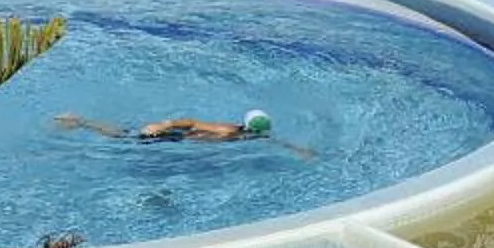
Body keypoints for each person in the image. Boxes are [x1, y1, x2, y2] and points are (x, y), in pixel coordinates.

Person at [54, 109, 309, 156]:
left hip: (177, 142)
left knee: (125, 136)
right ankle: (79, 121)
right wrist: (163, 126)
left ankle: (81, 121)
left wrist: (297, 149)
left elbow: (272, 140)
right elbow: (191, 122)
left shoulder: (249, 134)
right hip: (173, 136)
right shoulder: (226, 130)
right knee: (122, 138)